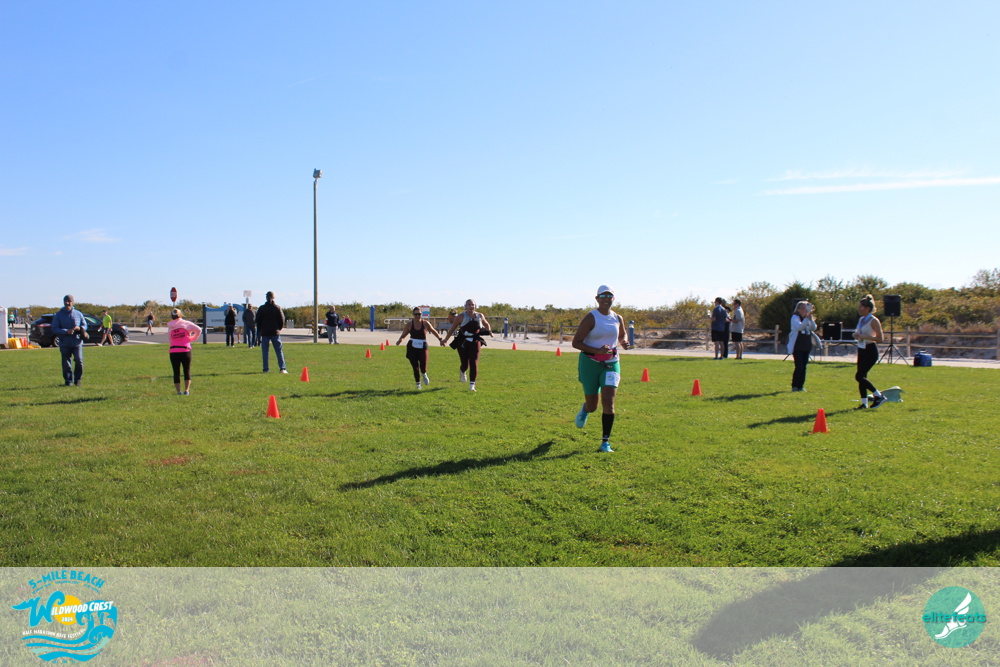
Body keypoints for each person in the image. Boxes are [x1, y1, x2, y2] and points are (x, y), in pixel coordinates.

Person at [571, 285, 630, 453]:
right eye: (602, 296)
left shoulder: (617, 317)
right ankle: (585, 409)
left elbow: (622, 334)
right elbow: (576, 343)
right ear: (597, 299)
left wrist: (624, 341)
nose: (606, 299)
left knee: (609, 402)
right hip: (590, 363)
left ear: (613, 299)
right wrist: (597, 350)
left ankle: (605, 443)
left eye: (609, 296)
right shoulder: (591, 317)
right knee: (593, 405)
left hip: (611, 363)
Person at [441, 299, 493, 392]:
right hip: (463, 342)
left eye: (473, 304)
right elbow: (452, 329)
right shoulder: (461, 316)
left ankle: (472, 385)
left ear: (475, 306)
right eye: (469, 304)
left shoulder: (480, 315)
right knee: (465, 364)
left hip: (475, 341)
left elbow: (486, 324)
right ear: (466, 306)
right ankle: (462, 371)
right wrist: (445, 340)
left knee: (474, 362)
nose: (471, 306)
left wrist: (489, 331)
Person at [396, 307, 444, 390]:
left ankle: (424, 374)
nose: (418, 316)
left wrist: (440, 339)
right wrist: (400, 340)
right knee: (415, 367)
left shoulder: (425, 323)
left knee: (423, 366)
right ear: (413, 315)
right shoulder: (409, 324)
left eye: (419, 314)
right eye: (416, 314)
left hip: (423, 346)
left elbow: (433, 331)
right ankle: (418, 384)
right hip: (412, 347)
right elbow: (404, 334)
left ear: (421, 314)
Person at [853, 294, 887, 409]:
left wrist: (867, 337)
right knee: (862, 377)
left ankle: (879, 396)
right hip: (861, 349)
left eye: (861, 307)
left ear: (868, 308)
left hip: (870, 350)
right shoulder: (861, 320)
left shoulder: (874, 321)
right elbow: (859, 333)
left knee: (859, 376)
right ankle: (864, 403)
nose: (859, 309)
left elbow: (880, 339)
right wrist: (856, 335)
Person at [51, 294, 87, 386]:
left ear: (73, 302)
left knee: (79, 360)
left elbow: (84, 325)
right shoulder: (59, 315)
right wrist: (66, 331)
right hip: (64, 343)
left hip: (77, 342)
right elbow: (54, 328)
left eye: (69, 301)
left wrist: (80, 328)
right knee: (66, 363)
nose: (67, 303)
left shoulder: (78, 314)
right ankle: (68, 381)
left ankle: (78, 379)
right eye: (66, 301)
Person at [166, 308, 202, 395]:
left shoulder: (170, 326)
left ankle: (178, 391)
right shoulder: (186, 324)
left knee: (176, 371)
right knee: (187, 370)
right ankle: (186, 390)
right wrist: (191, 338)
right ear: (181, 315)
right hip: (185, 350)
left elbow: (170, 338)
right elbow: (198, 330)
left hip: (173, 350)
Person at [788, 300, 819, 392]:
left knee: (804, 366)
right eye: (803, 308)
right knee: (799, 366)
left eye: (806, 309)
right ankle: (795, 385)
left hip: (806, 344)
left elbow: (813, 328)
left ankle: (801, 386)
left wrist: (810, 319)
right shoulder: (795, 318)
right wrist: (806, 319)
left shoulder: (807, 318)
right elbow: (799, 327)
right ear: (798, 309)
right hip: (798, 344)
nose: (805, 310)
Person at [256, 291, 287, 373]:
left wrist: (260, 331)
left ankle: (265, 369)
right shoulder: (277, 308)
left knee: (265, 352)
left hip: (265, 332)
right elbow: (282, 320)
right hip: (275, 332)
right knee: (279, 351)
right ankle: (282, 368)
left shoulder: (262, 308)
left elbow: (258, 320)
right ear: (273, 297)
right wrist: (278, 328)